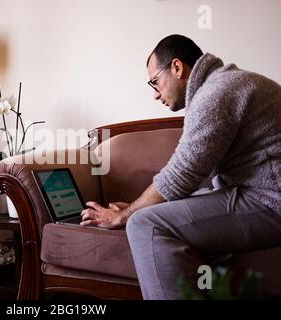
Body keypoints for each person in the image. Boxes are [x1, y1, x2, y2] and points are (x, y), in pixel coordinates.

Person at [80, 34, 281, 299]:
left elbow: (182, 175)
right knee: (148, 215)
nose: (155, 95)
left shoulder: (216, 94)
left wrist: (125, 214)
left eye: (155, 82)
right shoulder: (226, 82)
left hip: (271, 199)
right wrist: (138, 205)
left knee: (144, 225)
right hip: (259, 191)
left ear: (177, 67)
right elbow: (189, 178)